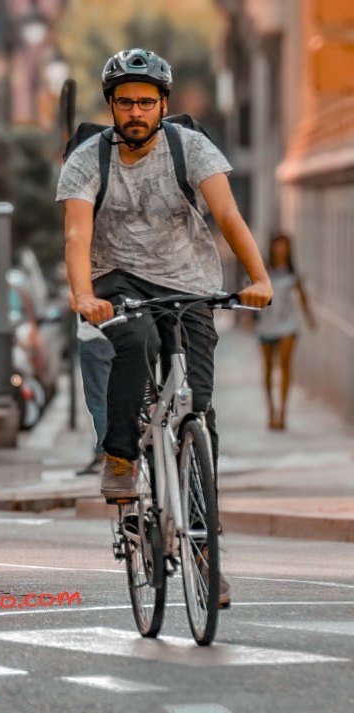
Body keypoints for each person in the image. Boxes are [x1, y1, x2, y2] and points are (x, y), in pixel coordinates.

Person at [58, 48, 273, 606]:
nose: (136, 111)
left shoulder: (191, 148)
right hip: (117, 279)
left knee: (200, 410)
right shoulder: (88, 159)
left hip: (189, 281)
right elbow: (77, 237)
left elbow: (227, 215)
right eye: (126, 102)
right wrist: (83, 295)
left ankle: (205, 549)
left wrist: (258, 276)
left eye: (146, 102)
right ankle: (123, 456)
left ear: (163, 105)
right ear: (111, 106)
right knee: (135, 342)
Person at [255, 232, 316, 431]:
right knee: (268, 370)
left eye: (285, 246)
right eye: (278, 245)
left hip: (288, 325)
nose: (281, 250)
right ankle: (270, 410)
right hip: (266, 325)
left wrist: (309, 319)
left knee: (285, 365)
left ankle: (282, 412)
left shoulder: (293, 273)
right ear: (272, 248)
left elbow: (303, 296)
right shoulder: (263, 271)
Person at [77, 314, 114, 475]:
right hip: (121, 333)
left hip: (93, 337)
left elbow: (75, 300)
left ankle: (105, 454)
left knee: (99, 402)